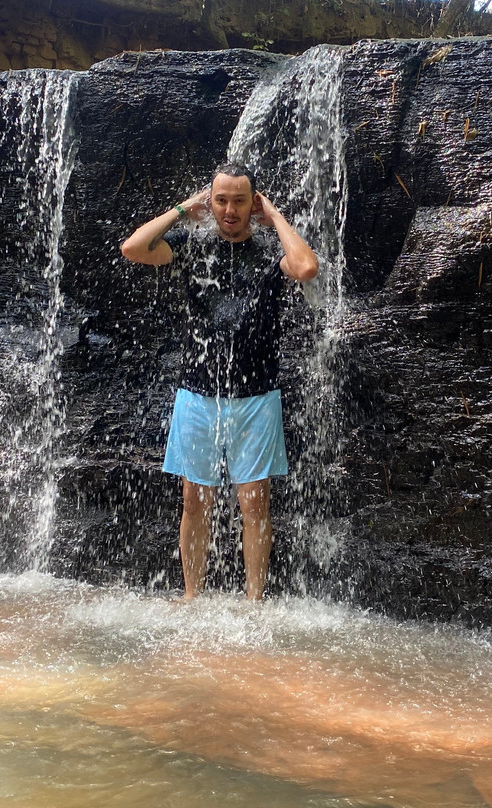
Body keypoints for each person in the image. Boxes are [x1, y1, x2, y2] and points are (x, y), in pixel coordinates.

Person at [120, 163, 319, 601]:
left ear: (254, 203)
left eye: (240, 200)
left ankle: (254, 603)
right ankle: (192, 595)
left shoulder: (270, 248)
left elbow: (305, 267)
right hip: (197, 394)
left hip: (257, 396)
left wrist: (276, 216)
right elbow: (133, 248)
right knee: (194, 500)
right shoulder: (192, 244)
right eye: (221, 200)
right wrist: (180, 210)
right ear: (210, 201)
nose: (230, 210)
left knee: (255, 504)